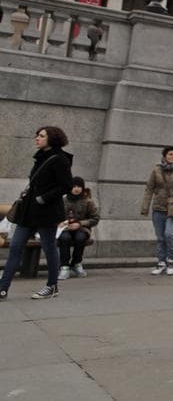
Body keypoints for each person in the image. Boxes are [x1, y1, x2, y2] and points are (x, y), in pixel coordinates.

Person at [0, 126, 74, 301]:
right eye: (37, 135)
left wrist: (44, 198)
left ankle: (52, 286)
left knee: (49, 249)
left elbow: (66, 185)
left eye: (41, 136)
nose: (36, 138)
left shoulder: (60, 159)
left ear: (52, 139)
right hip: (28, 212)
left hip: (46, 213)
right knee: (16, 247)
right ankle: (3, 288)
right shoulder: (41, 157)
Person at [140, 146, 173, 276]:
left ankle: (171, 261)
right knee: (160, 237)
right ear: (165, 156)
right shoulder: (157, 170)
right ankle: (161, 263)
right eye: (170, 154)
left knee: (170, 234)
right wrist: (145, 207)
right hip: (159, 207)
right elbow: (149, 188)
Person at [57, 176, 100, 280]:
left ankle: (76, 263)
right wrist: (60, 223)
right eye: (74, 186)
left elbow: (95, 218)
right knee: (64, 238)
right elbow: (55, 216)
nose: (76, 189)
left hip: (82, 229)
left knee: (80, 238)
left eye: (79, 186)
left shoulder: (88, 201)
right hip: (65, 229)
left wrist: (80, 224)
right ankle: (64, 266)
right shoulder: (62, 200)